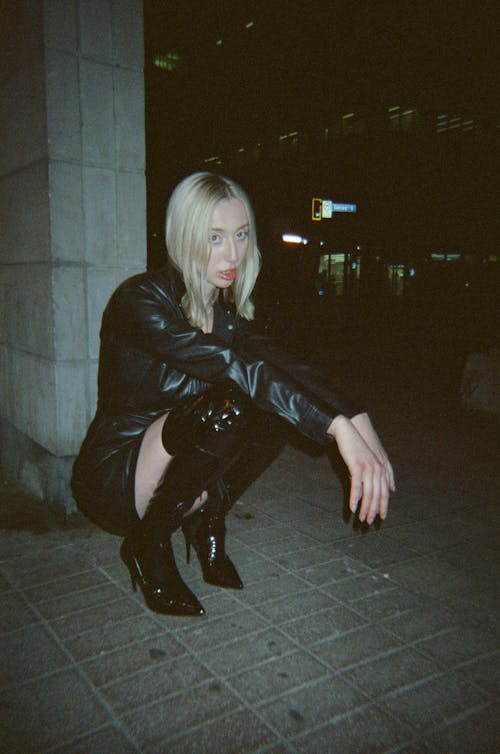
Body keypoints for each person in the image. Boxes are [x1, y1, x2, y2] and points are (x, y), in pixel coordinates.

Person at [72, 171, 395, 617]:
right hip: (116, 476)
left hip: (171, 475)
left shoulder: (223, 316)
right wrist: (335, 428)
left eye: (241, 235)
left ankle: (207, 517)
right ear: (184, 235)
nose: (233, 253)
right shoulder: (140, 301)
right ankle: (147, 545)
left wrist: (359, 418)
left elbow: (288, 364)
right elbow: (232, 367)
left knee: (275, 407)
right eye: (215, 237)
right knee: (235, 401)